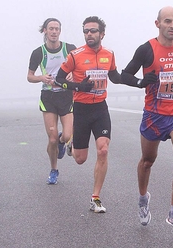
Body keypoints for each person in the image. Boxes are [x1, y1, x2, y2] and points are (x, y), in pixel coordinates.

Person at [121, 6, 173, 234]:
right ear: (158, 24)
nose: (172, 26)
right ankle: (143, 198)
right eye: (168, 22)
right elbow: (125, 74)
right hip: (154, 116)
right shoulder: (146, 49)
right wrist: (140, 82)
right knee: (147, 161)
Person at [54, 16, 121, 213]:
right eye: (86, 31)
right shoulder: (75, 55)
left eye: (93, 31)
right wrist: (77, 86)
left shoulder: (109, 54)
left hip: (100, 108)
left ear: (102, 33)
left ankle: (95, 198)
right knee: (80, 159)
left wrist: (138, 81)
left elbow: (115, 76)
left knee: (103, 150)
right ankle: (69, 144)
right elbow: (59, 79)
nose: (89, 34)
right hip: (81, 110)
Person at [27, 18, 76, 185]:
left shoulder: (69, 49)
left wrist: (73, 75)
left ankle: (63, 142)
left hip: (66, 95)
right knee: (52, 138)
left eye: (57, 29)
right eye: (51, 29)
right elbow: (30, 76)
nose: (54, 32)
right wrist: (41, 77)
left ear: (60, 31)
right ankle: (54, 169)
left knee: (67, 135)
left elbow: (80, 69)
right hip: (48, 97)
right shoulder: (38, 52)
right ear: (45, 31)